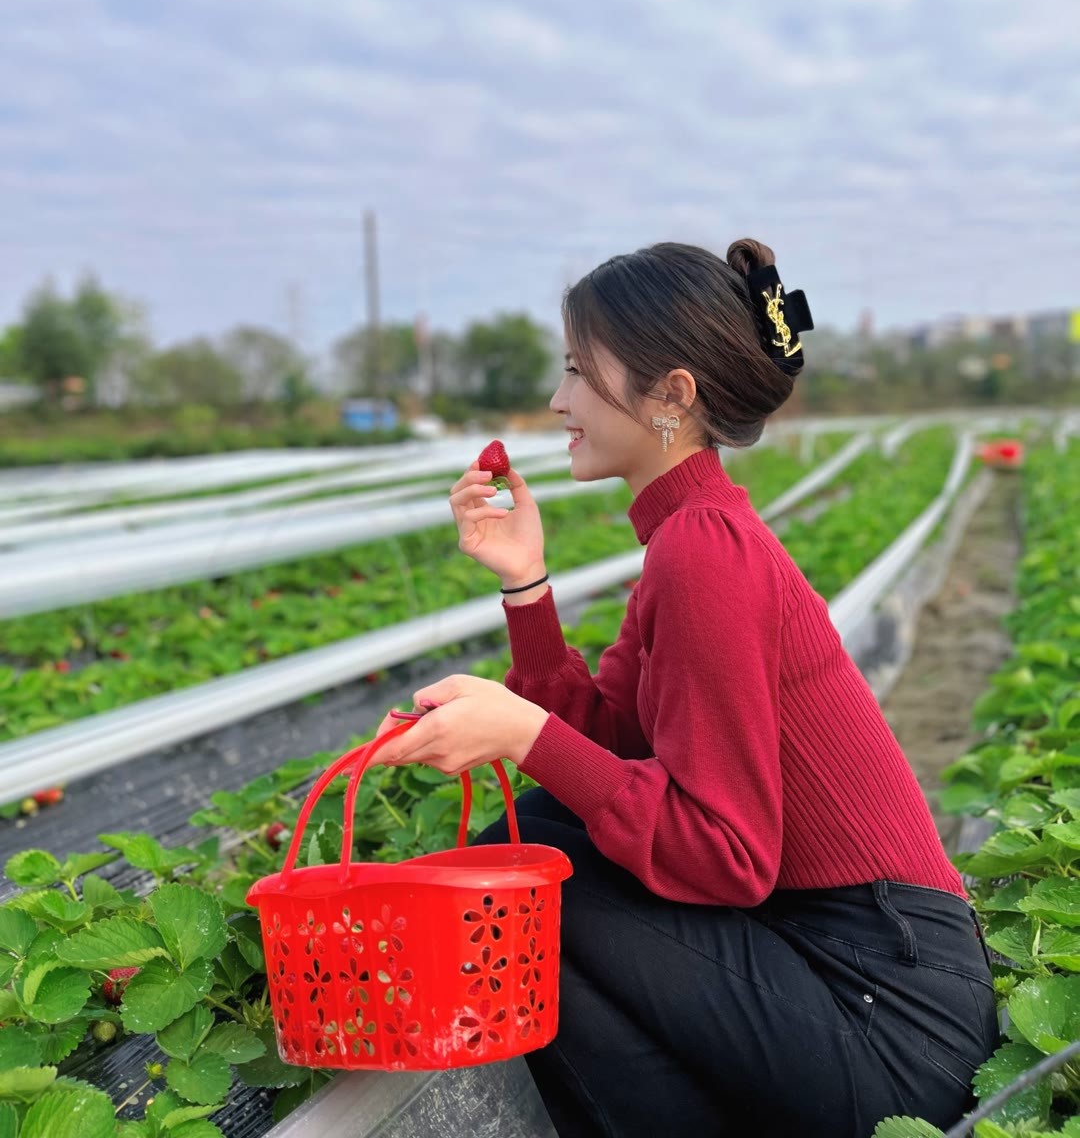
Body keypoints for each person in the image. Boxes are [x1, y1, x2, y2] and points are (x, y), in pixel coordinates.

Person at [374, 238, 1000, 1137]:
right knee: (538, 833)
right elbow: (614, 747)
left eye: (580, 373)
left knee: (526, 881)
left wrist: (522, 734)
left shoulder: (707, 552)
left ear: (672, 394)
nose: (559, 402)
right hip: (834, 961)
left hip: (889, 1012)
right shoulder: (688, 538)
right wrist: (527, 586)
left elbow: (724, 856)